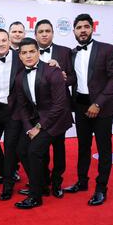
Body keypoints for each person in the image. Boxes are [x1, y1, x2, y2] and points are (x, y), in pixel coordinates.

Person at [63, 13, 113, 206]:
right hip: (80, 105)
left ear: (92, 28)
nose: (82, 30)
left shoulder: (107, 49)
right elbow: (74, 79)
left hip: (102, 107)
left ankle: (101, 188)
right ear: (74, 31)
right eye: (79, 27)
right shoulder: (72, 52)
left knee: (104, 148)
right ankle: (82, 182)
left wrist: (98, 104)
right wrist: (61, 76)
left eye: (86, 26)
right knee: (83, 146)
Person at [18, 18, 76, 198]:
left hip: (58, 116)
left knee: (57, 149)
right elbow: (22, 105)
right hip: (39, 117)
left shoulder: (60, 58)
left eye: (47, 31)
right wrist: (29, 128)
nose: (28, 55)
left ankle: (54, 183)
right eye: (24, 53)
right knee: (24, 150)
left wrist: (38, 127)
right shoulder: (21, 75)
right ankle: (41, 182)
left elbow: (69, 87)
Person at [0, 28, 23, 200]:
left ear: (9, 41)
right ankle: (5, 172)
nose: (1, 43)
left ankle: (8, 184)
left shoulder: (20, 57)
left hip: (14, 110)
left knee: (9, 147)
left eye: (4, 40)